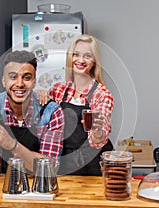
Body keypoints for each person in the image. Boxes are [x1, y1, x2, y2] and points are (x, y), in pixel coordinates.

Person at [0, 50, 65, 173]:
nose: (19, 84)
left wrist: (12, 145)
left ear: (34, 82)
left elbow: (49, 169)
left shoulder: (51, 112)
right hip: (2, 185)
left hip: (39, 186)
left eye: (27, 78)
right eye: (13, 77)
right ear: (4, 81)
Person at [37, 34, 114, 176]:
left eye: (87, 56)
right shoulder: (58, 90)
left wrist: (97, 132)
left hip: (92, 164)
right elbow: (43, 118)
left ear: (94, 62)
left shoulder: (101, 94)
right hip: (65, 161)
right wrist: (39, 94)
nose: (80, 60)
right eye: (76, 55)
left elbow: (99, 138)